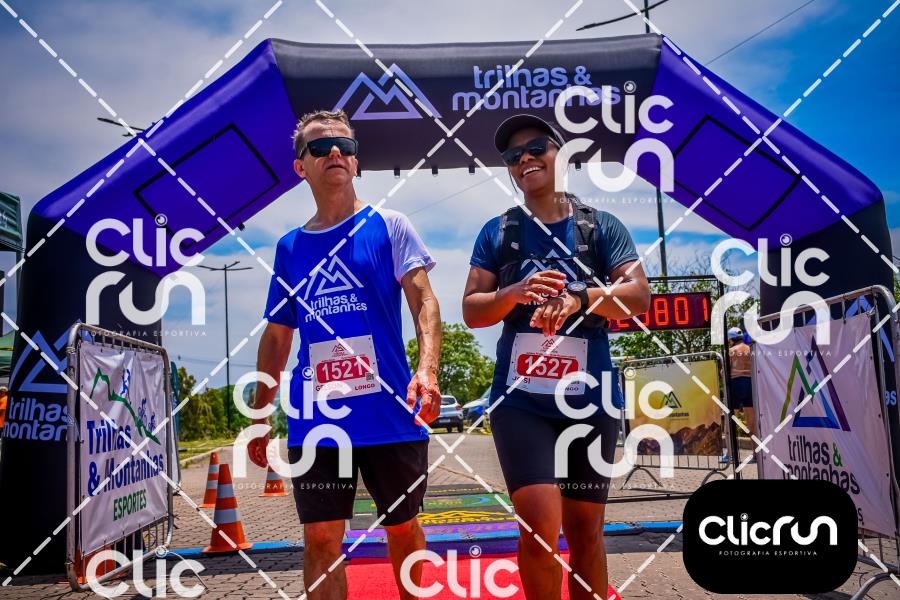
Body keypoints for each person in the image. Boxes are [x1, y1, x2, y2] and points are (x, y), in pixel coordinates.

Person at [248, 109, 442, 600]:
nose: (335, 152)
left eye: (345, 146)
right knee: (320, 538)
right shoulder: (290, 248)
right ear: (301, 166)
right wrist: (259, 415)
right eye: (320, 147)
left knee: (402, 529)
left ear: (356, 162)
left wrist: (427, 371)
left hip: (390, 415)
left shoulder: (390, 225)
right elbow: (277, 337)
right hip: (318, 420)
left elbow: (424, 300)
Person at [462, 114, 650, 599]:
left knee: (586, 531)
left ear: (561, 155)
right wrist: (515, 292)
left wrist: (582, 297)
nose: (525, 159)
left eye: (536, 148)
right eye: (513, 156)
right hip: (521, 401)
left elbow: (638, 296)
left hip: (589, 399)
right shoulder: (498, 232)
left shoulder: (600, 227)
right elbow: (472, 310)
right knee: (539, 525)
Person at [723, 326, 755, 463]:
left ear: (731, 340)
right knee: (752, 422)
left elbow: (724, 372)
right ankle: (756, 454)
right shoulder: (750, 349)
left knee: (730, 421)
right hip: (750, 384)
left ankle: (729, 455)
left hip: (735, 384)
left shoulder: (731, 351)